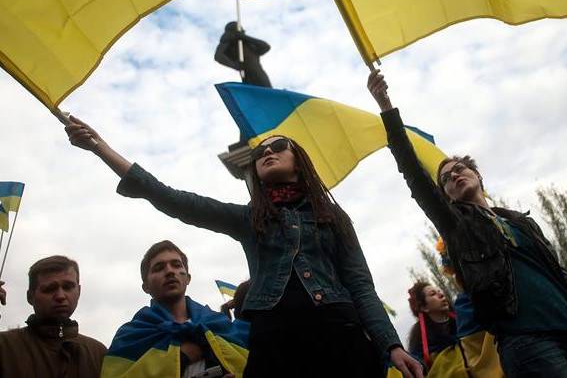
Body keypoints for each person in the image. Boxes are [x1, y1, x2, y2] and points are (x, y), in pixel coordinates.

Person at [65, 117, 422, 378]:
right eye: (260, 152)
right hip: (274, 340)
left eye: (278, 147)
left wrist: (391, 344)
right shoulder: (250, 218)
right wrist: (100, 147)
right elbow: (172, 199)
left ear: (299, 161)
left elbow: (361, 284)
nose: (267, 153)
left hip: (339, 333)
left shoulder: (332, 216)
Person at [368, 69, 567, 377]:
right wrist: (386, 107)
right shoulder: (456, 225)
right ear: (446, 197)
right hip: (527, 340)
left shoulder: (521, 222)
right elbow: (413, 172)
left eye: (460, 169)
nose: (454, 175)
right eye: (446, 179)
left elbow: (561, 275)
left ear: (477, 175)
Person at [103, 241, 240, 377]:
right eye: (159, 268)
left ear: (188, 278)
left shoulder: (220, 324)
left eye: (176, 265)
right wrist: (182, 356)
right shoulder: (130, 336)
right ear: (146, 287)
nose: (169, 271)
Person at [0, 255, 106, 378]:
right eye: (49, 289)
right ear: (30, 297)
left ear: (79, 291)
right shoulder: (4, 347)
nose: (60, 296)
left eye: (68, 287)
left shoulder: (99, 353)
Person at [407, 281, 456, 367]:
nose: (441, 295)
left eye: (439, 291)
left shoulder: (462, 320)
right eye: (433, 294)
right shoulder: (420, 343)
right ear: (424, 307)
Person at [214, 22, 272, 87]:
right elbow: (218, 56)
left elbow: (266, 47)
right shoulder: (229, 43)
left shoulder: (249, 45)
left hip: (258, 72)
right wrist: (235, 66)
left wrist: (244, 37)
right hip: (246, 73)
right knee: (252, 90)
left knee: (267, 89)